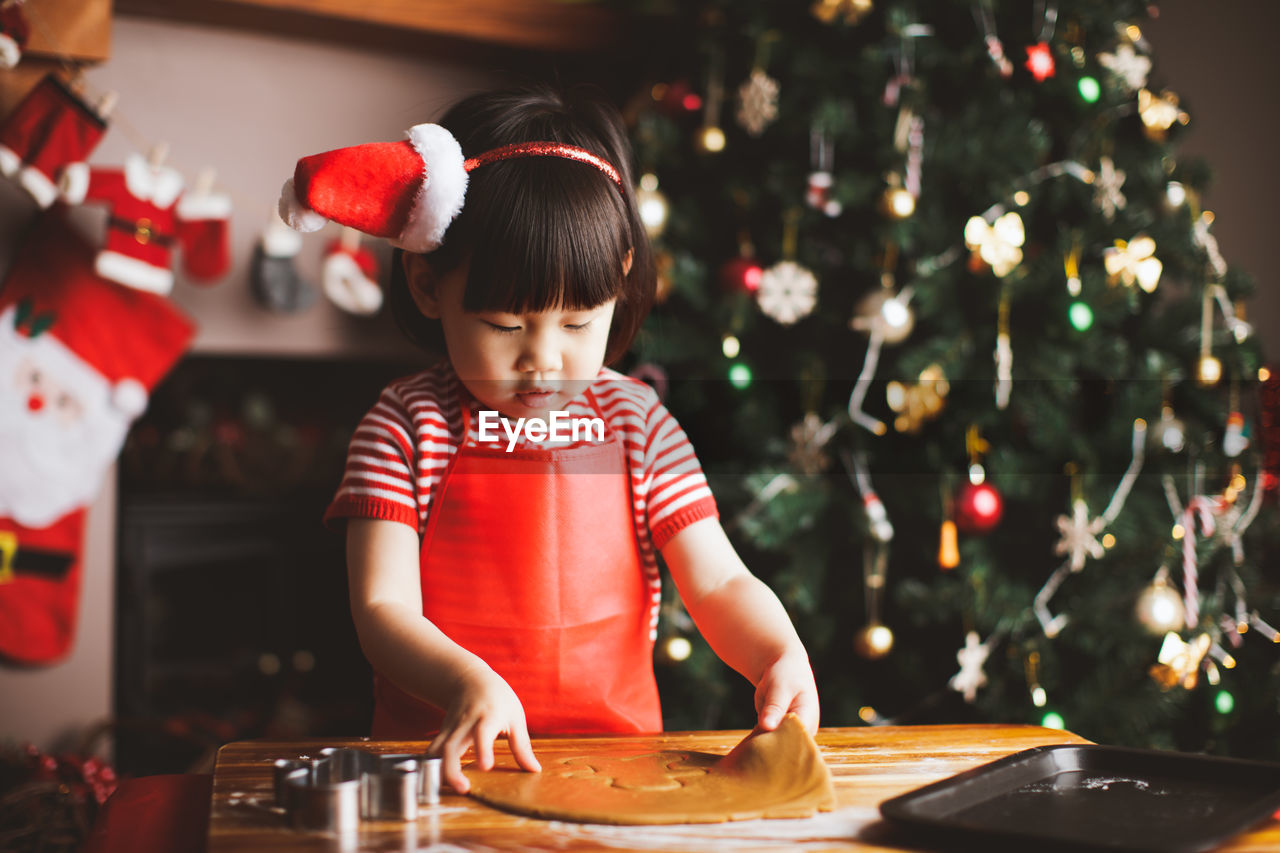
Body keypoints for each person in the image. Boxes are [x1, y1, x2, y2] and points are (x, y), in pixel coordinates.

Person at [282, 83, 819, 794]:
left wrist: (777, 651)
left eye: (576, 324)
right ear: (426, 285)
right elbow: (383, 608)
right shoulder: (406, 425)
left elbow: (718, 580)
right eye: (506, 325)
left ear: (620, 282)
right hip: (441, 766)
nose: (544, 357)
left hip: (618, 771)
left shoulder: (640, 424)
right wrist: (467, 680)